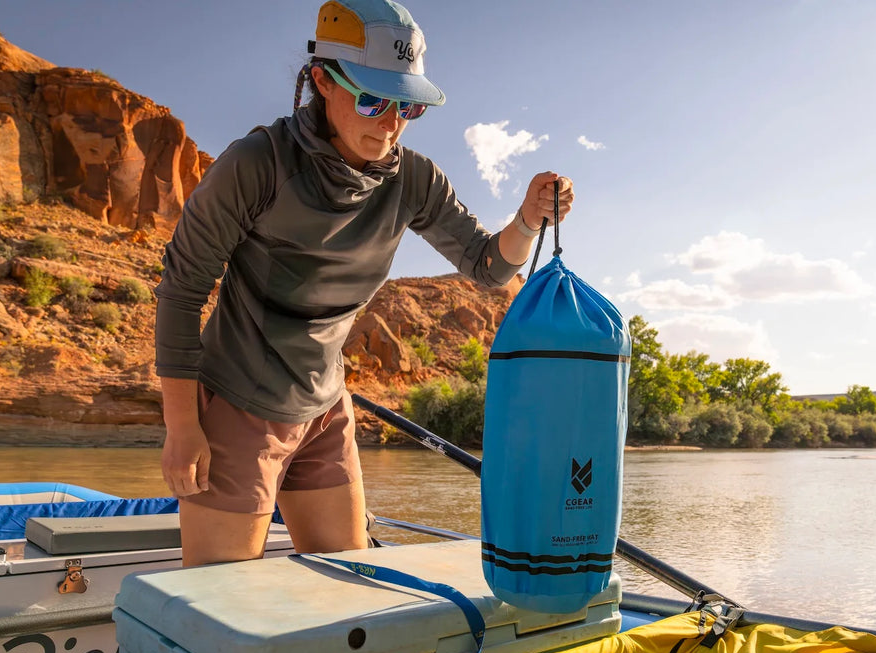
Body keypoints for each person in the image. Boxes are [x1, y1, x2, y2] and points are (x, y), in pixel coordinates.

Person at [153, 0, 574, 567]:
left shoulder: (416, 179)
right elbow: (181, 292)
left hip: (326, 409)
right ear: (323, 81)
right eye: (373, 99)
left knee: (343, 588)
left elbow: (489, 268)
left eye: (406, 105)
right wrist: (182, 426)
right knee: (215, 604)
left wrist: (526, 220)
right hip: (237, 405)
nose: (391, 121)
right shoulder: (257, 163)